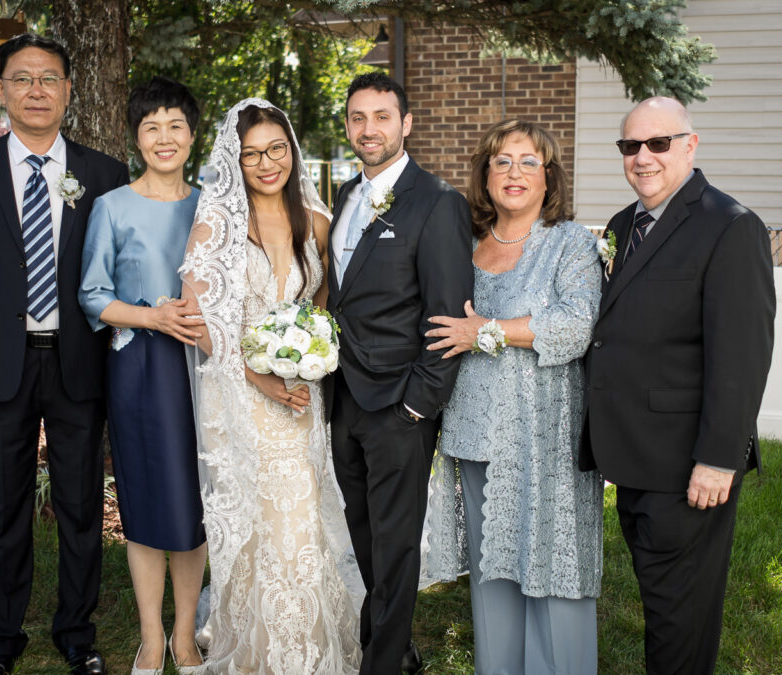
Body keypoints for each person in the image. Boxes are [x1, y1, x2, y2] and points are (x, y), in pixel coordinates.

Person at [0, 33, 129, 675]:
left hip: (79, 362)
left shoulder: (104, 174)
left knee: (80, 503)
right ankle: (3, 637)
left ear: (69, 90)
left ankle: (77, 630)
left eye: (49, 78)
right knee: (2, 504)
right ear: (1, 87)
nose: (37, 90)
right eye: (22, 78)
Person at [580, 96, 776, 674]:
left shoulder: (730, 226)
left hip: (690, 465)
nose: (643, 158)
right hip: (636, 456)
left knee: (679, 620)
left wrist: (719, 459)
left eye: (658, 143)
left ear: (690, 145)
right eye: (630, 146)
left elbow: (741, 358)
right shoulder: (622, 225)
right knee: (660, 602)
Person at [179, 98, 361, 674]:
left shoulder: (318, 221)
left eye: (276, 149)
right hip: (237, 394)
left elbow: (325, 300)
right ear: (236, 160)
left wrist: (313, 352)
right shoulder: (218, 226)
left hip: (301, 397)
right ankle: (260, 652)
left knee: (302, 519)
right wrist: (259, 375)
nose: (266, 163)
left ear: (293, 150)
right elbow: (196, 317)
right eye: (252, 153)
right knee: (258, 525)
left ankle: (308, 647)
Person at [424, 119, 604, 674]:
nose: (514, 172)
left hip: (546, 433)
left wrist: (489, 330)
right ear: (484, 175)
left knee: (553, 567)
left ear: (549, 177)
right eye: (501, 161)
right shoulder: (464, 246)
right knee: (493, 574)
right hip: (475, 434)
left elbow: (575, 327)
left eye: (529, 161)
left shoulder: (571, 244)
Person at [324, 71, 474, 674]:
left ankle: (382, 663)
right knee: (363, 532)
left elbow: (448, 313)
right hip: (343, 396)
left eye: (382, 116)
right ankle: (396, 644)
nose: (369, 129)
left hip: (399, 405)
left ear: (405, 124)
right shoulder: (343, 197)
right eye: (358, 118)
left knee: (396, 540)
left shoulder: (438, 202)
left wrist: (420, 405)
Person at [78, 76, 207, 675]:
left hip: (205, 371)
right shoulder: (112, 206)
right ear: (136, 137)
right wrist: (153, 315)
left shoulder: (212, 205)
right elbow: (93, 296)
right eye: (151, 126)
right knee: (148, 505)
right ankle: (151, 637)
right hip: (140, 371)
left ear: (192, 134)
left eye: (175, 125)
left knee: (197, 503)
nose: (164, 137)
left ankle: (186, 635)